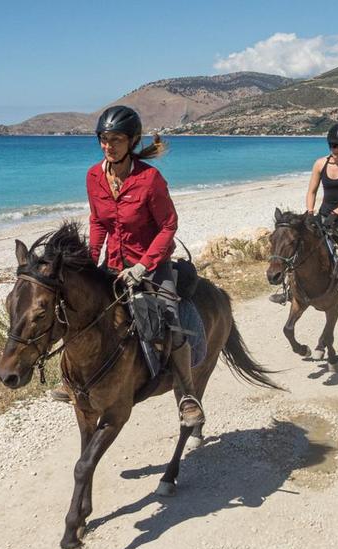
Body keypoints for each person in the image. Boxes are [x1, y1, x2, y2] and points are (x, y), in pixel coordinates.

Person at [51, 105, 204, 427]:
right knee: (81, 312)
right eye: (104, 139)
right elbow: (98, 221)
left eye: (116, 140)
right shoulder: (94, 176)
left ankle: (187, 394)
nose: (109, 146)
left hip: (152, 264)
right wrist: (90, 259)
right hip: (114, 263)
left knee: (168, 316)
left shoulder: (149, 179)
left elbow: (168, 226)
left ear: (132, 141)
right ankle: (75, 380)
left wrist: (144, 265)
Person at [270, 122, 338, 324]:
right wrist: (310, 211)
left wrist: (337, 212)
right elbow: (312, 191)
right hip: (324, 219)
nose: (335, 149)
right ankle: (289, 292)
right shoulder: (320, 164)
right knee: (301, 251)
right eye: (332, 144)